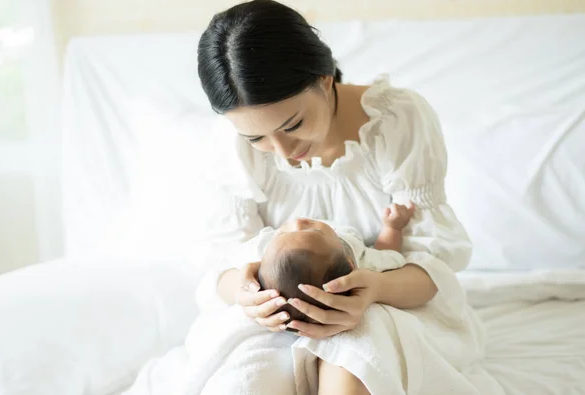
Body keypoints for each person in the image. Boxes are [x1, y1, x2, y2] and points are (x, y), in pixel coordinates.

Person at [194, 0, 479, 393]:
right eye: (256, 138)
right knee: (248, 375)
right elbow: (221, 269)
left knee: (358, 355)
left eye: (293, 124)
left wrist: (372, 290)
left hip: (390, 305)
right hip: (275, 320)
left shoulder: (396, 120)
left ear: (325, 79)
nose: (282, 151)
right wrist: (245, 295)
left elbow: (437, 266)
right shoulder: (229, 145)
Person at [255, 203, 415, 325]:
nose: (298, 221)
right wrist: (393, 228)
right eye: (315, 231)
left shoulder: (264, 246)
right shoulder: (364, 261)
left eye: (281, 233)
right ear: (350, 265)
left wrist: (250, 270)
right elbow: (389, 255)